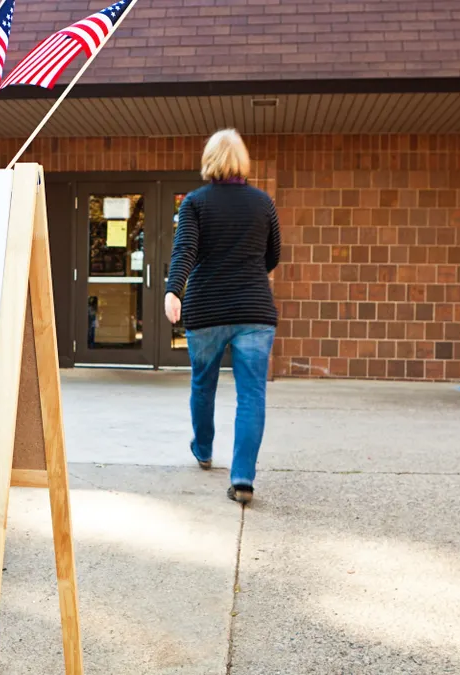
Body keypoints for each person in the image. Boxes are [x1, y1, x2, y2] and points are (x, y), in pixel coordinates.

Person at [164, 129, 280, 505]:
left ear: (209, 160)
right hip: (254, 310)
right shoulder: (263, 203)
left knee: (203, 384)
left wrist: (173, 290)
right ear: (242, 161)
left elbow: (185, 251)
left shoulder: (196, 203)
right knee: (252, 395)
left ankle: (203, 449)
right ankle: (243, 478)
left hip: (207, 308)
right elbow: (272, 257)